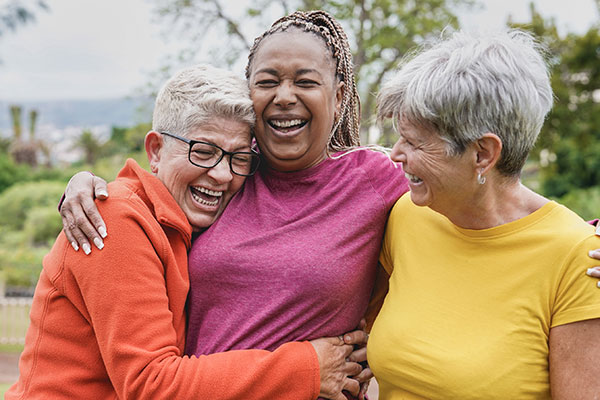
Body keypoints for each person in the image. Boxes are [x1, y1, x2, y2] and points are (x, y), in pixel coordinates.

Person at [59, 12, 600, 398]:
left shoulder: (383, 185)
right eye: (266, 81)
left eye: (306, 81)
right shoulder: (228, 174)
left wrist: (585, 237)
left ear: (339, 96)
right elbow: (160, 184)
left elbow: (487, 194)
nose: (285, 95)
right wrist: (88, 185)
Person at [7, 64, 367, 400]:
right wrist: (307, 368)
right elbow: (152, 382)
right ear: (156, 150)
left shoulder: (190, 221)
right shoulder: (116, 219)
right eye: (203, 151)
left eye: (238, 158)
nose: (222, 174)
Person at [368, 29, 600, 399]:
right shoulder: (407, 215)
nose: (395, 154)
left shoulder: (579, 259)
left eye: (414, 142)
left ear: (483, 154)